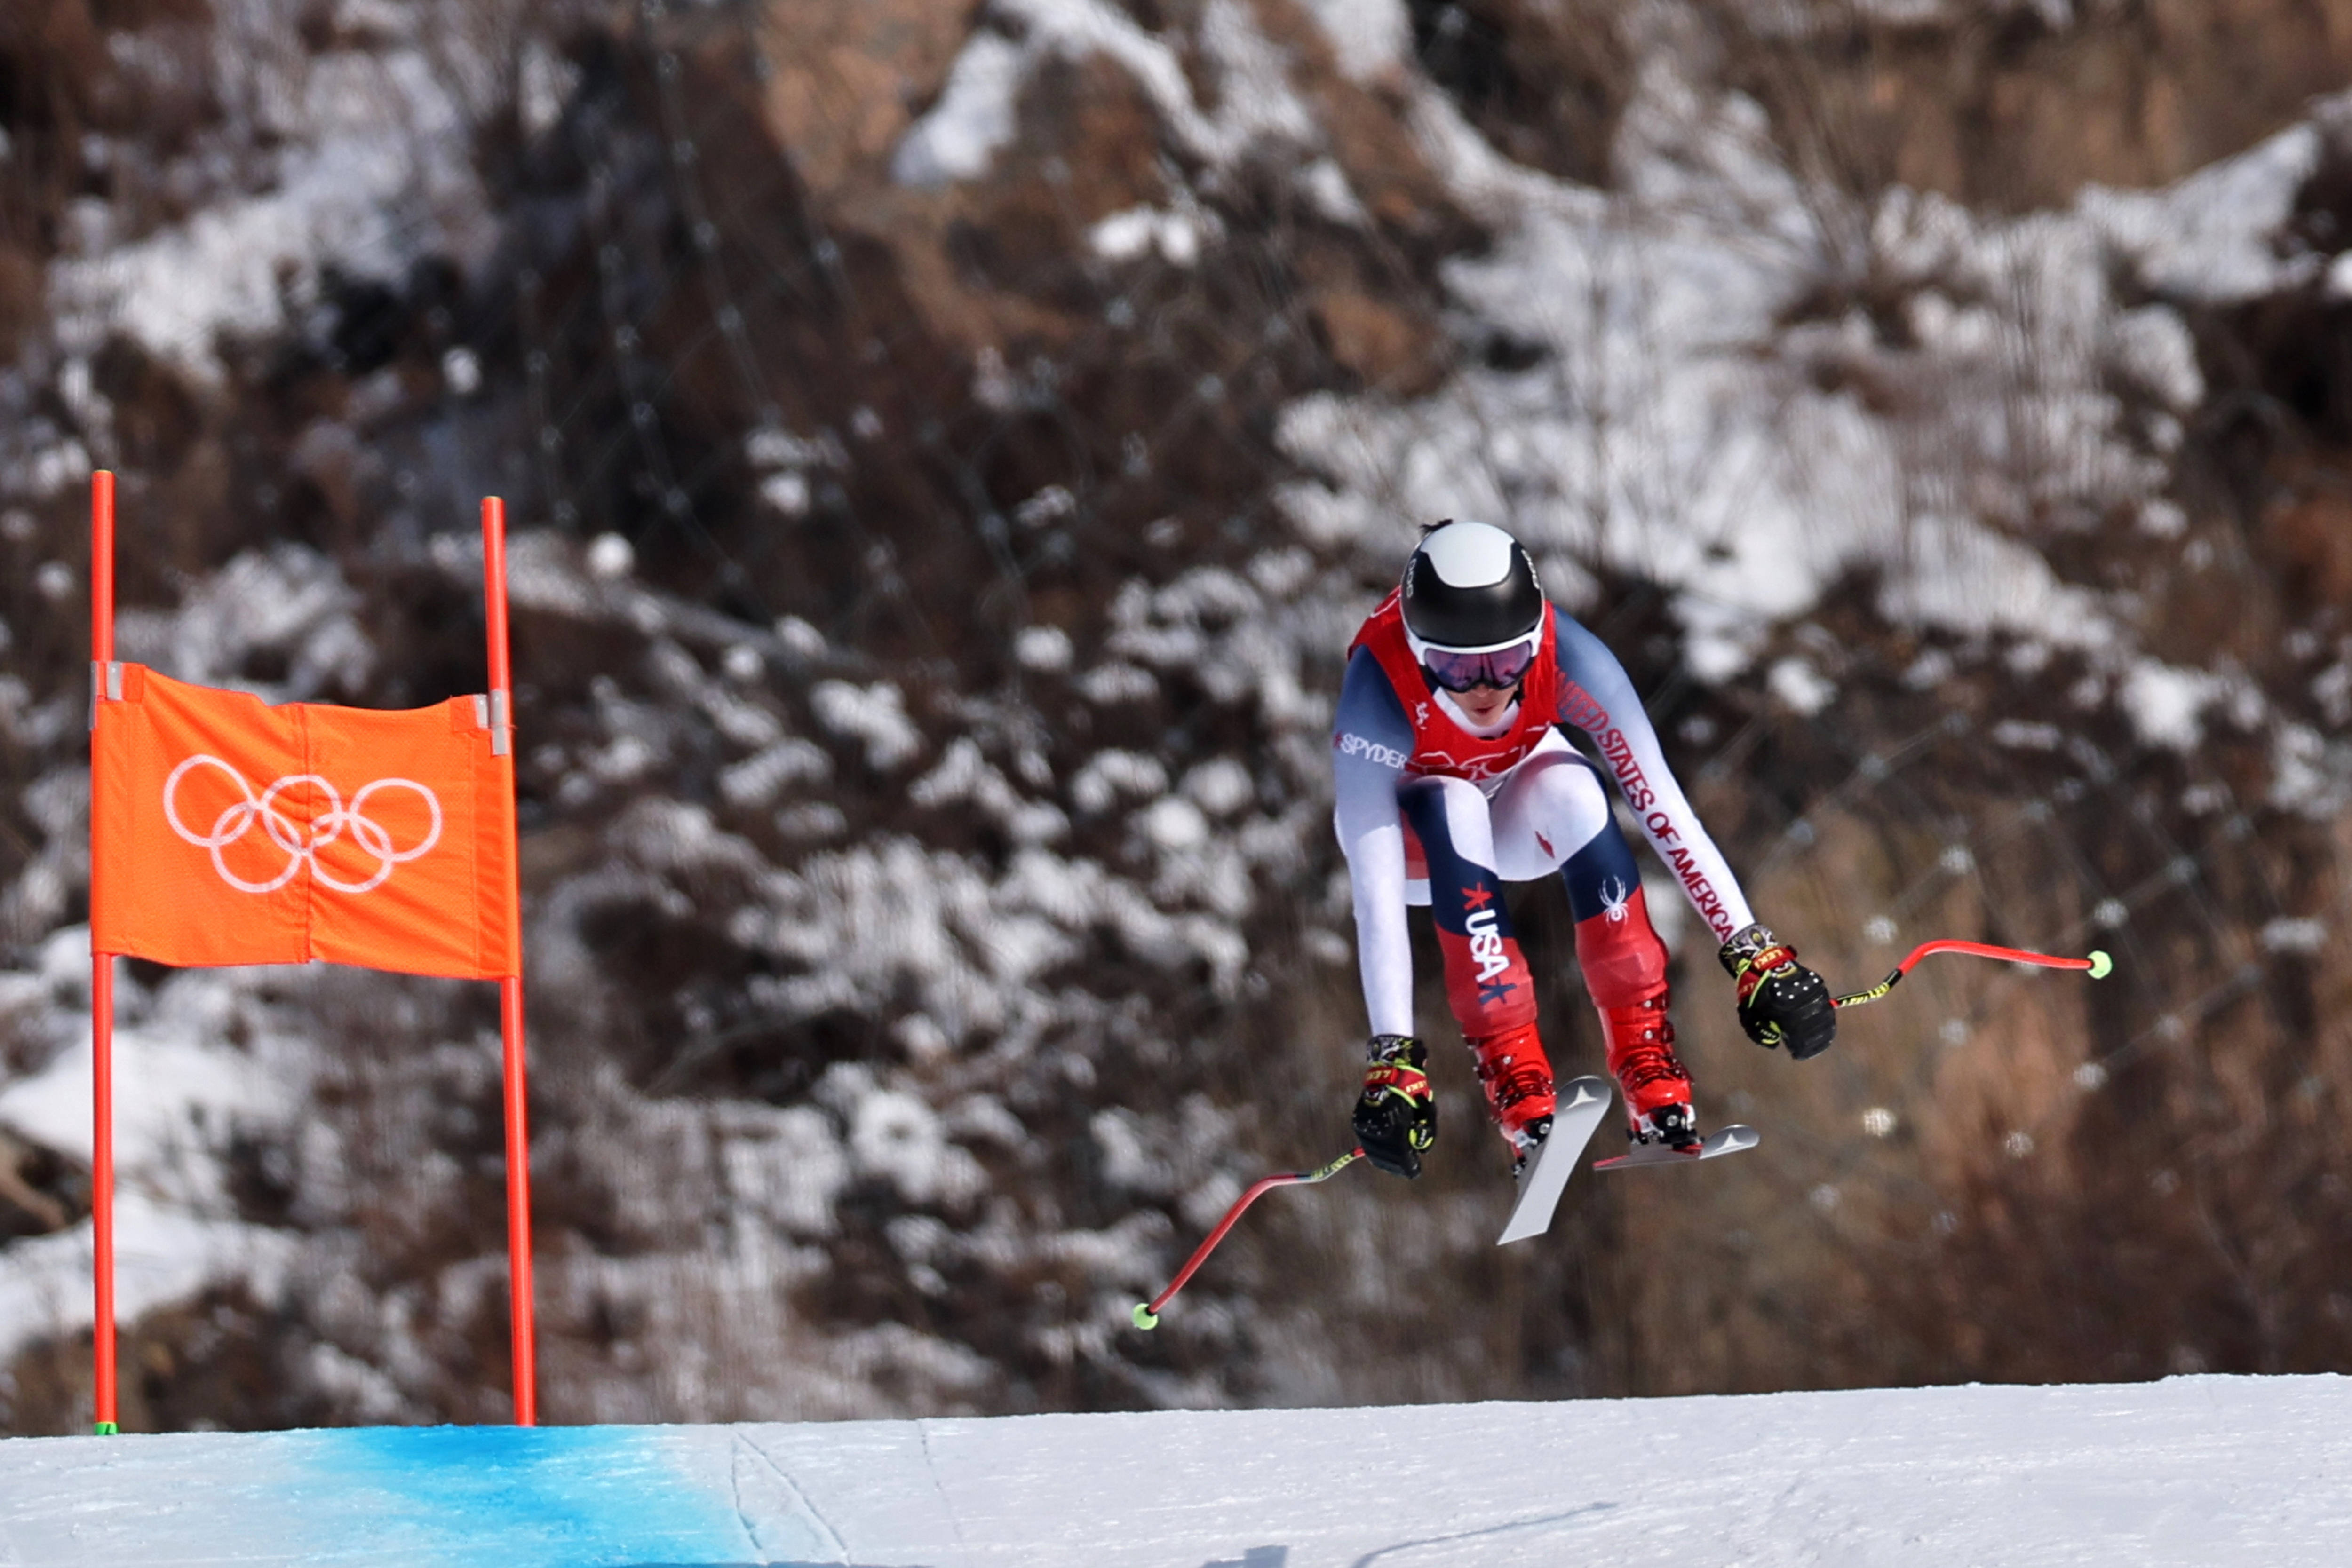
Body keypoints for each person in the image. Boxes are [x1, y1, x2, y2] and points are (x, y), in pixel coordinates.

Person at [1332, 519, 1836, 1178]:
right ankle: (1518, 1085)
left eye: (1507, 662)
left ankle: (1650, 1071)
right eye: (1456, 668)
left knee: (1576, 788)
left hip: (1513, 806)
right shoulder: (1379, 688)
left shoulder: (1573, 656)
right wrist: (1392, 1056)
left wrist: (1754, 952)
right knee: (1453, 802)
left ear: (1537, 636)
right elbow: (1374, 897)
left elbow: (1665, 810)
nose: (1485, 687)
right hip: (1416, 848)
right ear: (1420, 649)